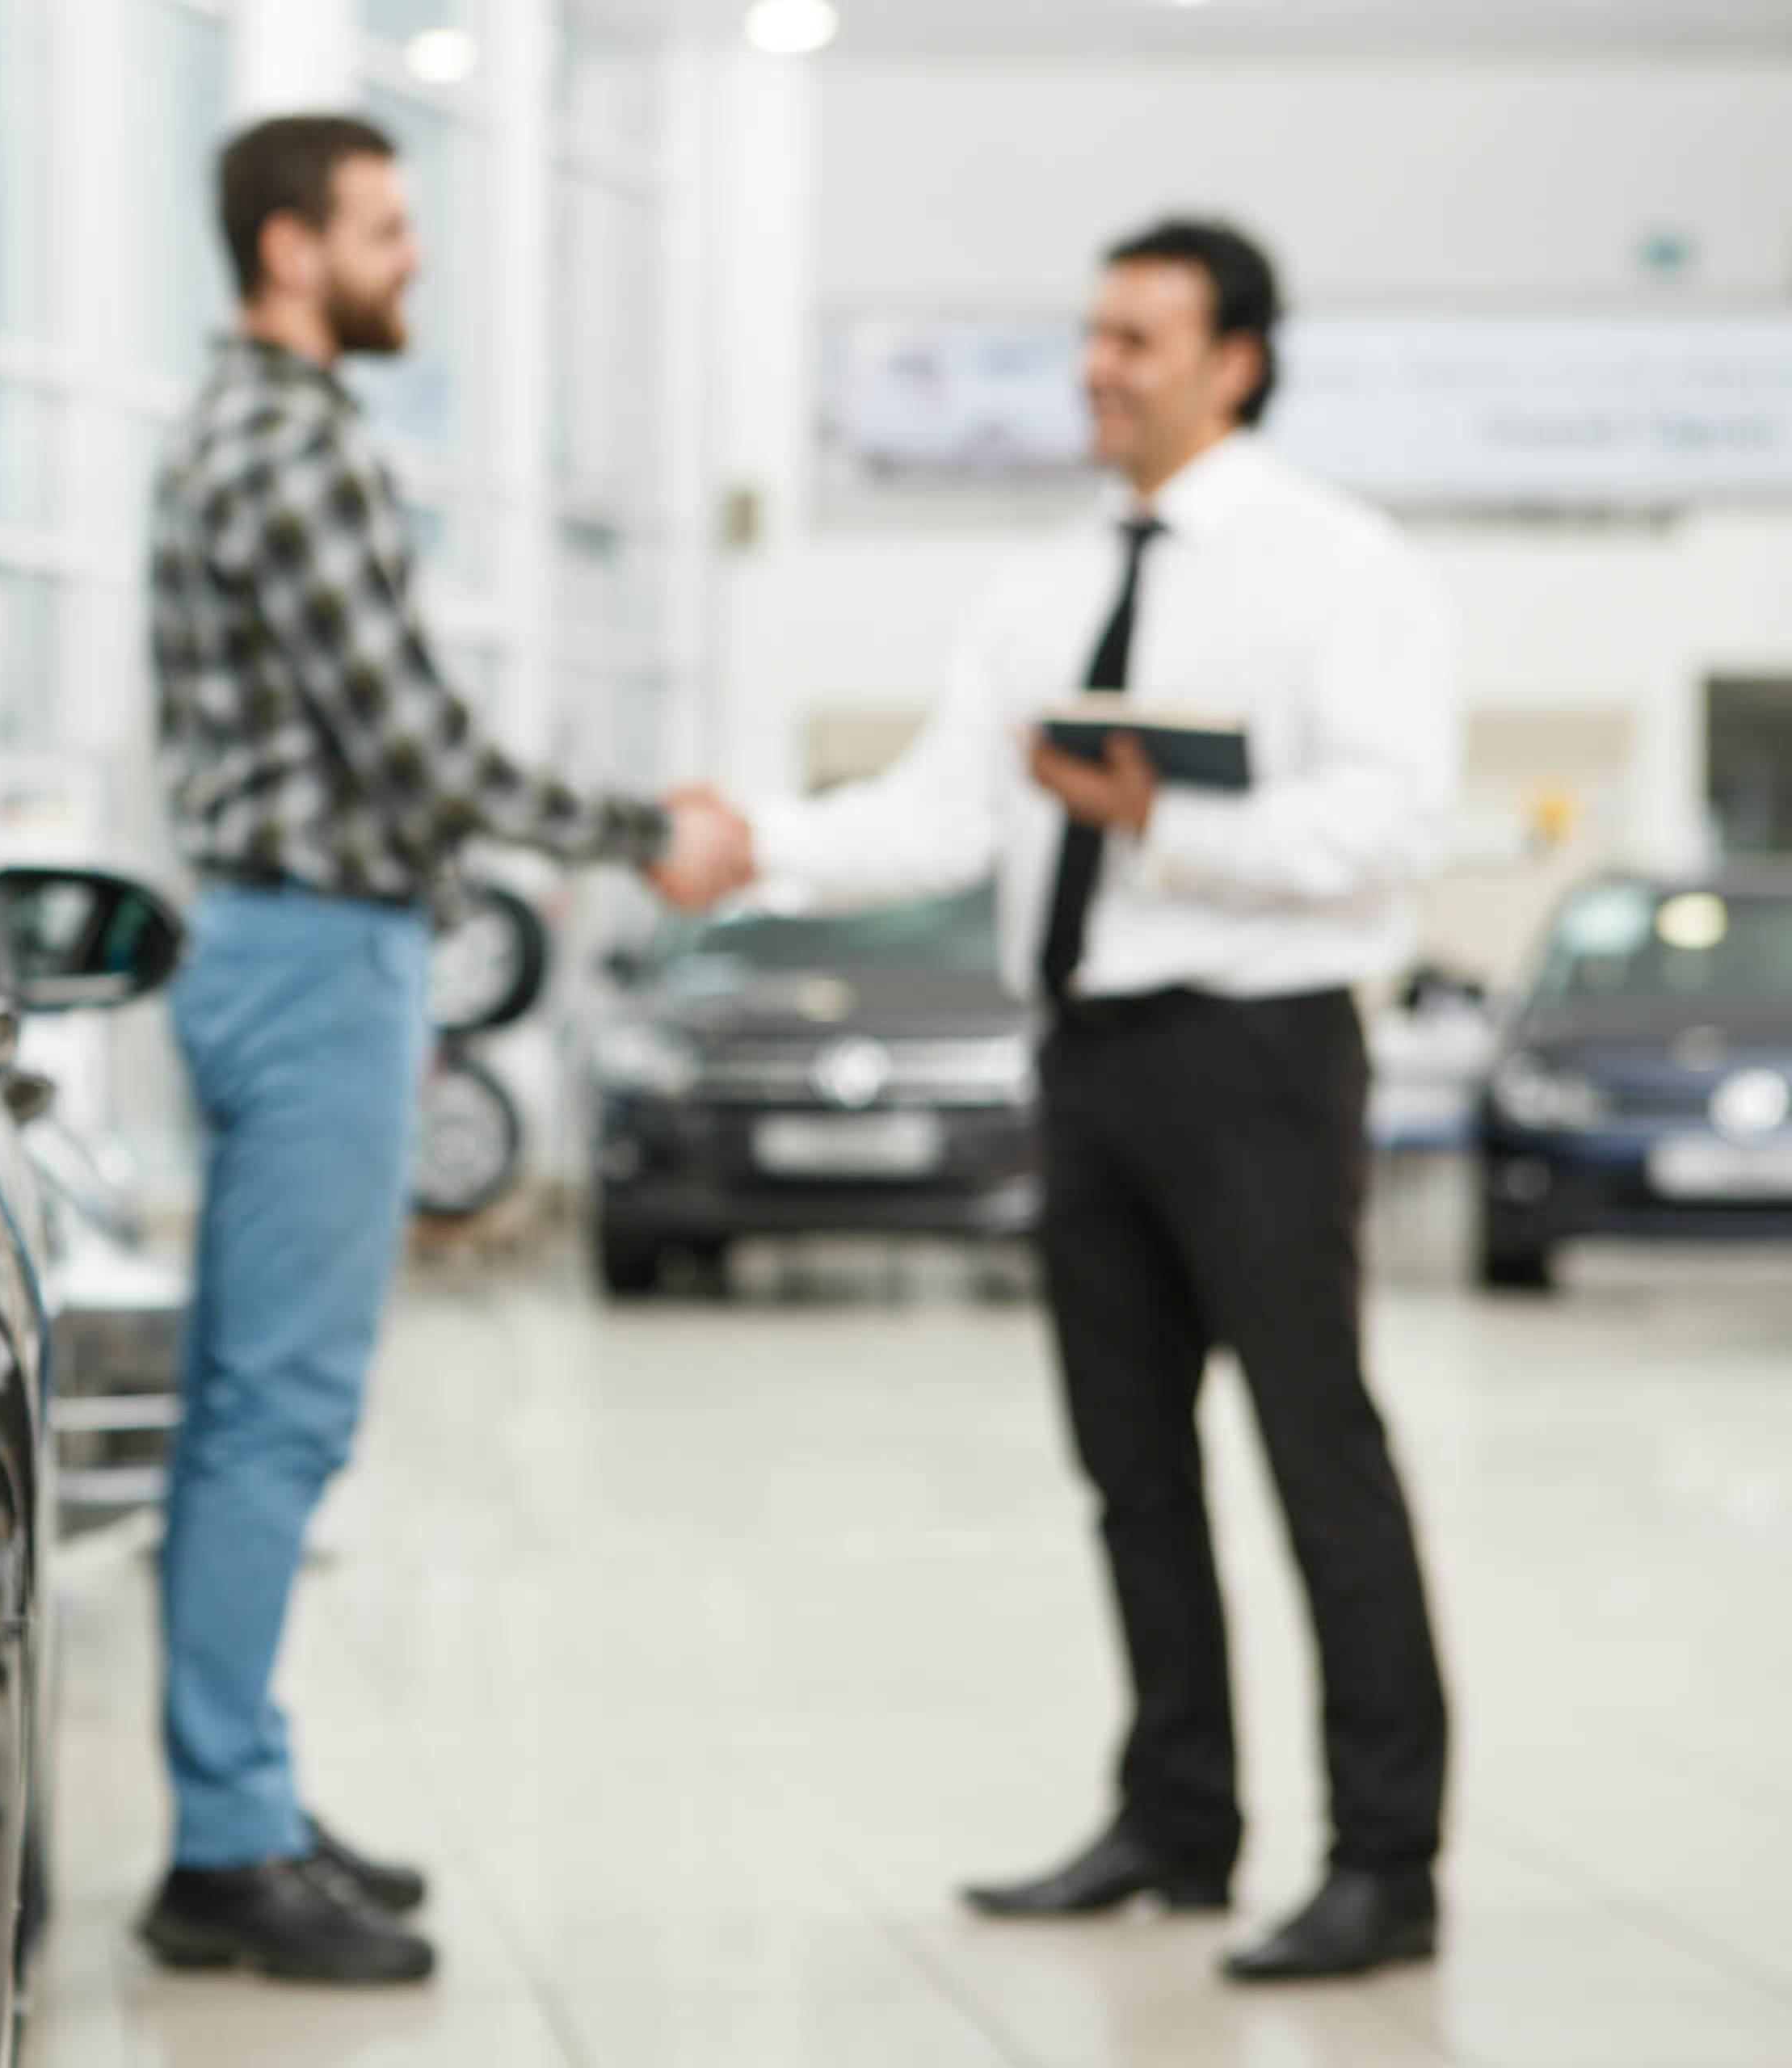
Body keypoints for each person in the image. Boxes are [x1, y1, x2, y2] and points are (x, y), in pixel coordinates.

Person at [746, 220, 1455, 1982]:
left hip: (1265, 1052)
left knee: (1318, 1454)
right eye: (1089, 335)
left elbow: (1390, 824)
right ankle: (1179, 1817)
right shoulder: (1047, 581)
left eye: (1138, 338)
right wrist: (747, 845)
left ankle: (1388, 1858)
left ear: (1238, 360)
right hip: (1094, 1059)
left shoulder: (1336, 565)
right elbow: (936, 812)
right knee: (1128, 1465)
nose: (1098, 367)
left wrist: (1165, 822)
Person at [138, 113, 752, 1986]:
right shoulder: (290, 447)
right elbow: (419, 753)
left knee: (248, 1403)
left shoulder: (241, 433)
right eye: (386, 228)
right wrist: (644, 825)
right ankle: (228, 1846)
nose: (414, 257)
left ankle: (236, 1799)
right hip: (316, 953)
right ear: (288, 247)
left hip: (294, 942)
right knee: (281, 1415)